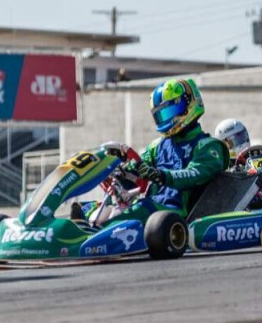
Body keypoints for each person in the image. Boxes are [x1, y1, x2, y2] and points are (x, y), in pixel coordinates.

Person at [75, 78, 229, 225]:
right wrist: (120, 169)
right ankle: (81, 232)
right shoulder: (158, 146)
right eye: (161, 114)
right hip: (151, 204)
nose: (167, 118)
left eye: (171, 111)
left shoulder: (209, 146)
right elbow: (139, 167)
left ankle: (94, 234)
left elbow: (194, 174)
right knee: (87, 208)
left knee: (138, 210)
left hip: (174, 212)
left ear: (189, 105)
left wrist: (160, 175)